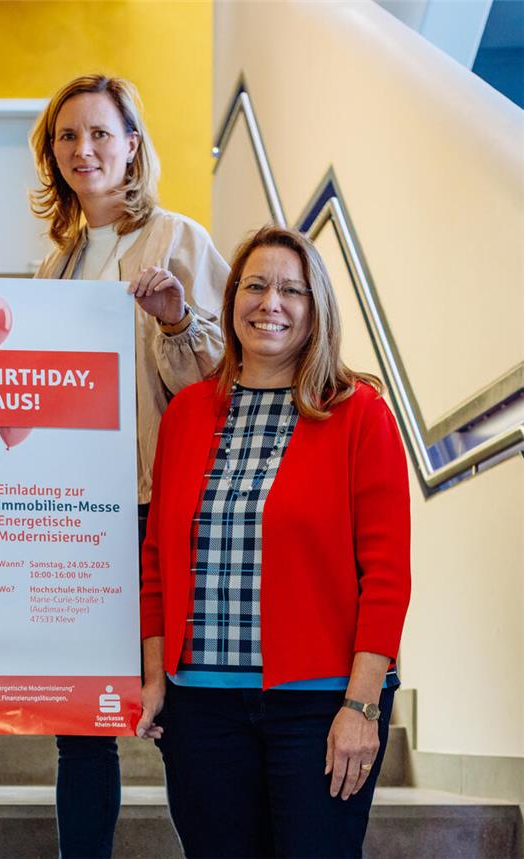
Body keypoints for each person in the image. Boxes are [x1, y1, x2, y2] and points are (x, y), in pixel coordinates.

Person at [137, 226, 412, 858]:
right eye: (255, 286)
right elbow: (157, 562)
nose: (271, 302)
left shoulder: (359, 414)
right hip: (202, 708)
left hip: (319, 706)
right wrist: (156, 677)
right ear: (231, 300)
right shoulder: (187, 413)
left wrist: (362, 708)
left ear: (317, 309)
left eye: (292, 290)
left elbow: (387, 577)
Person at [29, 73, 228, 857]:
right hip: (74, 519)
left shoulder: (180, 241)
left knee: (179, 715)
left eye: (100, 133)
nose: (84, 150)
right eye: (67, 136)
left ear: (132, 145)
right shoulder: (53, 270)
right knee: (81, 725)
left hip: (155, 512)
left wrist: (177, 318)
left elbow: (221, 383)